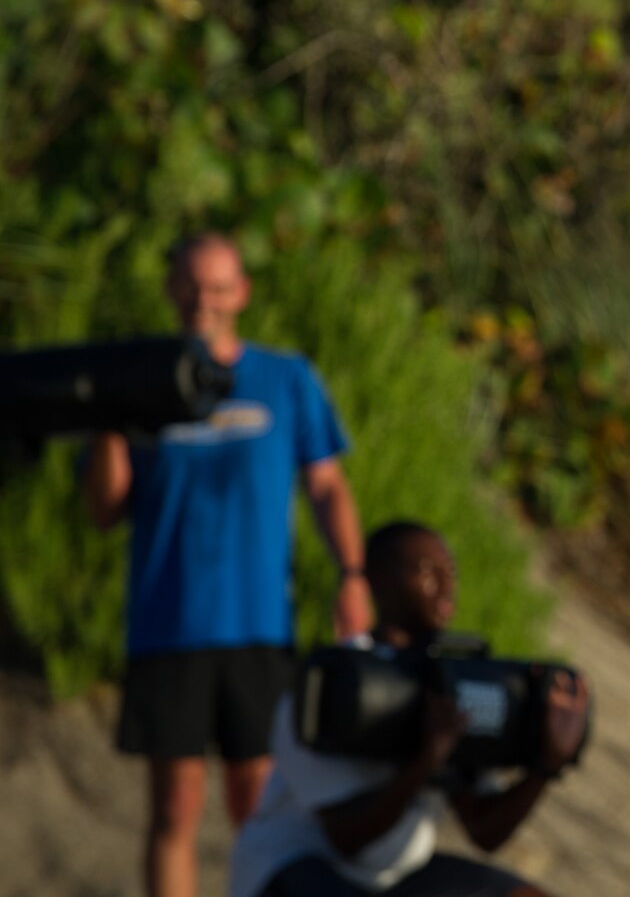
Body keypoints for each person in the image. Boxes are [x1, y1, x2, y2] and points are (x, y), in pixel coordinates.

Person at [84, 231, 372, 897]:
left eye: (217, 286)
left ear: (241, 292)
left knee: (259, 800)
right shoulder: (141, 383)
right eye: (190, 284)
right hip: (168, 623)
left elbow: (326, 484)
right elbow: (106, 509)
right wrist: (106, 417)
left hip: (258, 625)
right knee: (175, 807)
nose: (202, 300)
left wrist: (352, 575)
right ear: (170, 289)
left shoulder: (285, 377)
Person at [228, 521, 589, 897]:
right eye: (427, 572)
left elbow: (484, 831)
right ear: (379, 581)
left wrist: (546, 766)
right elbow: (346, 840)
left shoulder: (451, 683)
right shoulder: (331, 684)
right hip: (298, 863)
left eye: (451, 573)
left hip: (395, 877)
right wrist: (424, 764)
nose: (447, 586)